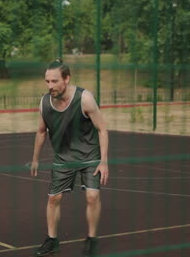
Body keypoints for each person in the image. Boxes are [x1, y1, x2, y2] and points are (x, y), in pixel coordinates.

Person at [30, 59, 109, 257]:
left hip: (90, 155)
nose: (50, 86)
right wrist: (35, 159)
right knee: (53, 199)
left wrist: (104, 160)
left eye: (54, 81)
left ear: (66, 79)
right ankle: (51, 240)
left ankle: (91, 239)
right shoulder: (44, 102)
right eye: (47, 81)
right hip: (64, 157)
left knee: (92, 196)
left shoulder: (85, 99)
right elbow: (40, 131)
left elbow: (102, 129)